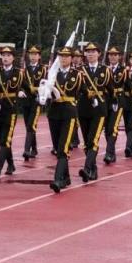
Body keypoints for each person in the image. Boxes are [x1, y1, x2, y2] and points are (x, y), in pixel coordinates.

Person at [43, 46, 82, 193]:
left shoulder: (77, 74)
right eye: (61, 56)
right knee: (57, 147)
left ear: (71, 58)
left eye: (66, 56)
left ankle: (58, 180)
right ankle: (66, 177)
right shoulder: (52, 74)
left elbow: (81, 93)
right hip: (54, 112)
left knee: (63, 148)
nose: (63, 59)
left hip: (69, 113)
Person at [0, 45, 27, 178]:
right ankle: (11, 164)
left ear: (13, 58)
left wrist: (22, 91)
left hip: (11, 110)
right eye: (3, 56)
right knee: (2, 140)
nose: (5, 58)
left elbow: (26, 87)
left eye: (8, 56)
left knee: (6, 139)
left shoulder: (19, 73)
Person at [77, 42, 111, 182]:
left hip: (99, 110)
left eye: (93, 51)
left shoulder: (105, 70)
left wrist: (112, 103)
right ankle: (93, 169)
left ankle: (86, 168)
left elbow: (111, 89)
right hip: (83, 108)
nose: (90, 54)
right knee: (86, 142)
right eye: (88, 51)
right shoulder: (79, 70)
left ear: (99, 54)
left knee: (93, 140)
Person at [21, 45, 47, 160]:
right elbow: (21, 83)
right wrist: (22, 90)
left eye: (35, 54)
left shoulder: (44, 69)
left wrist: (40, 93)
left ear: (39, 56)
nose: (33, 56)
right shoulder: (25, 70)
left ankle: (26, 149)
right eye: (31, 54)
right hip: (27, 100)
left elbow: (46, 84)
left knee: (31, 125)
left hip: (37, 99)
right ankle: (34, 148)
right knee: (29, 126)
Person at [103, 46, 127, 164]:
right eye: (110, 55)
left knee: (112, 127)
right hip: (105, 100)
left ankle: (108, 153)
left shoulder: (124, 70)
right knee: (106, 128)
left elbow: (128, 86)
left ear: (119, 56)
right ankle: (111, 153)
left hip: (118, 100)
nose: (112, 57)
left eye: (115, 55)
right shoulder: (104, 69)